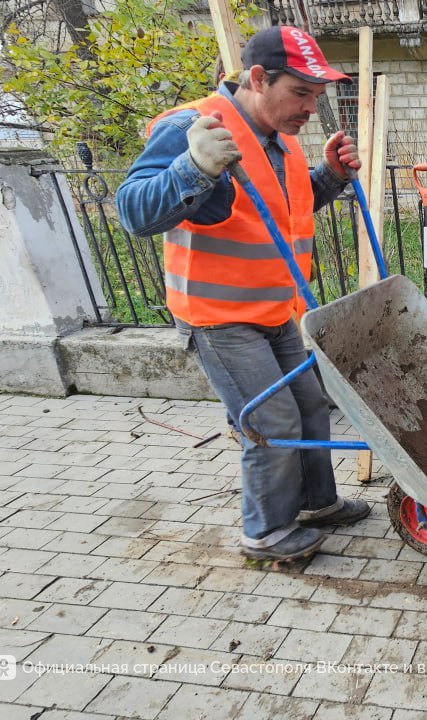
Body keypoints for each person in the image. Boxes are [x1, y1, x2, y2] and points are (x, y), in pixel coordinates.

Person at [117, 26, 370, 562]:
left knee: (309, 405)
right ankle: (266, 533)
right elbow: (134, 212)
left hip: (276, 307)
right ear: (258, 78)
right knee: (270, 420)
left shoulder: (281, 140)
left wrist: (328, 175)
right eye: (300, 93)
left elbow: (278, 219)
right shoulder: (195, 127)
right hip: (219, 314)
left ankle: (315, 503)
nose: (309, 107)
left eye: (316, 97)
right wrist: (192, 166)